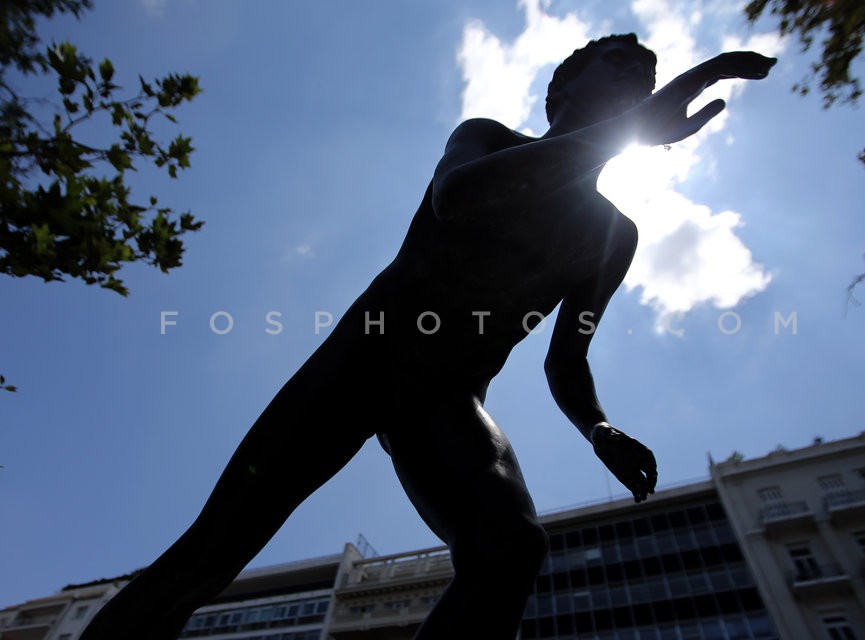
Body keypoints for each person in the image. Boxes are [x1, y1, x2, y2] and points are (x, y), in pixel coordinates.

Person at [79, 34, 775, 640]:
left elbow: (569, 359)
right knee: (208, 556)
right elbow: (460, 198)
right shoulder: (488, 138)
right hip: (364, 359)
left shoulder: (613, 234)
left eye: (646, 80)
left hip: (446, 401)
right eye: (620, 64)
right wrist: (615, 132)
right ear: (563, 84)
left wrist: (597, 427)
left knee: (511, 548)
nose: (637, 80)